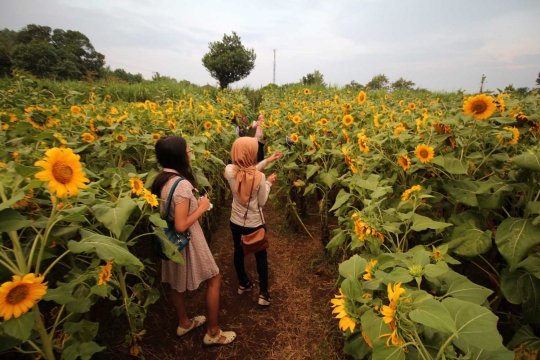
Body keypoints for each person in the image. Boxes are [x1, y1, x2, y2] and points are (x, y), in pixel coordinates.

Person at [151, 135, 236, 347]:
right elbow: (181, 224)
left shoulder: (160, 179)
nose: (190, 153)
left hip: (169, 242)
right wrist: (200, 207)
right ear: (179, 155)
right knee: (214, 278)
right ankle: (214, 332)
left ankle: (184, 323)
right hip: (187, 242)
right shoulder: (180, 185)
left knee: (176, 285)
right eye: (188, 150)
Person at [225, 137, 283, 308]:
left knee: (238, 251)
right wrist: (268, 183)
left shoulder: (229, 170)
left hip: (236, 221)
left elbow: (246, 172)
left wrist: (268, 160)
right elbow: (262, 202)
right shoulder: (260, 177)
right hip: (254, 223)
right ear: (251, 153)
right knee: (261, 256)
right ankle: (263, 294)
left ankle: (243, 283)